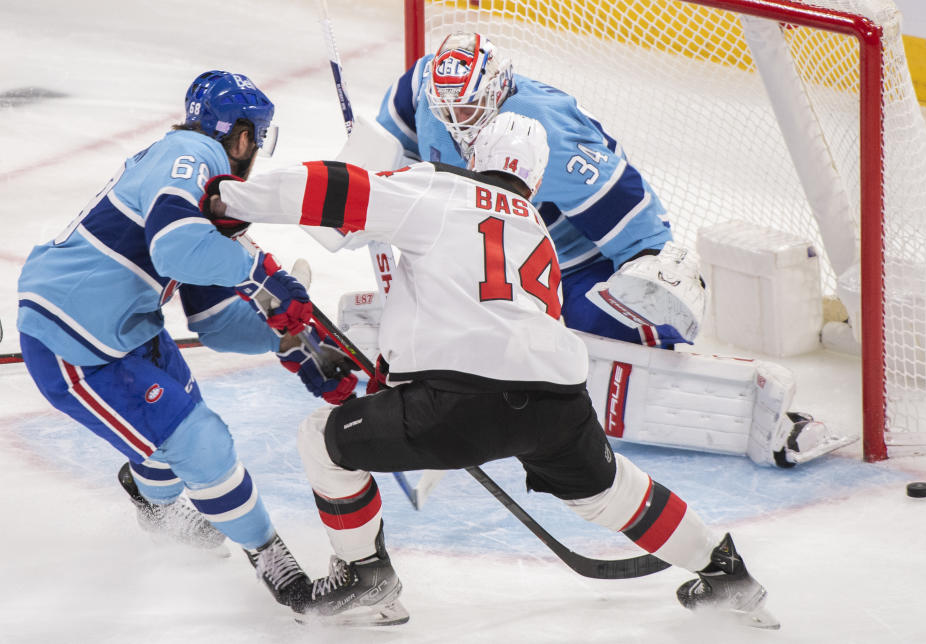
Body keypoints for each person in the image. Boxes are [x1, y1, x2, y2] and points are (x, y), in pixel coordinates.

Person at [203, 112, 779, 629]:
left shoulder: (441, 187)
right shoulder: (538, 233)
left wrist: (233, 200)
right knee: (611, 492)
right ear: (534, 179)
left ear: (476, 156)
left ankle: (367, 579)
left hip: (459, 400)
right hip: (558, 401)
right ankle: (724, 568)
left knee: (322, 444)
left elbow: (342, 191)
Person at [363, 31, 851, 468]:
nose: (455, 123)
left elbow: (637, 227)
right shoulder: (421, 90)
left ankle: (761, 414)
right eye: (445, 109)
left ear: (497, 92)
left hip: (567, 265)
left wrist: (651, 283)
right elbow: (378, 156)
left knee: (629, 321)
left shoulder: (551, 135)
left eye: (467, 110)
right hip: (476, 255)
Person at [16, 70, 357, 615]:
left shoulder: (197, 185)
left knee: (179, 429)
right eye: (256, 141)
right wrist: (259, 268)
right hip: (73, 340)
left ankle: (151, 494)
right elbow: (177, 249)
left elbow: (216, 320)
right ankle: (273, 563)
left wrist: (283, 338)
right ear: (242, 137)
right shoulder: (192, 152)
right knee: (202, 444)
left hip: (127, 328)